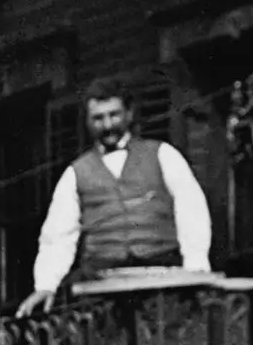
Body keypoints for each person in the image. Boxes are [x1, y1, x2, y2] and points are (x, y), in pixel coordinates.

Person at [24, 85, 216, 313]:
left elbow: (191, 210)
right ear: (87, 121)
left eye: (113, 115)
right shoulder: (76, 173)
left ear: (129, 114)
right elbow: (58, 235)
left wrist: (196, 266)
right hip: (101, 279)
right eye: (98, 118)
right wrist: (46, 284)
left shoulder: (162, 154)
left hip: (161, 269)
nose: (107, 125)